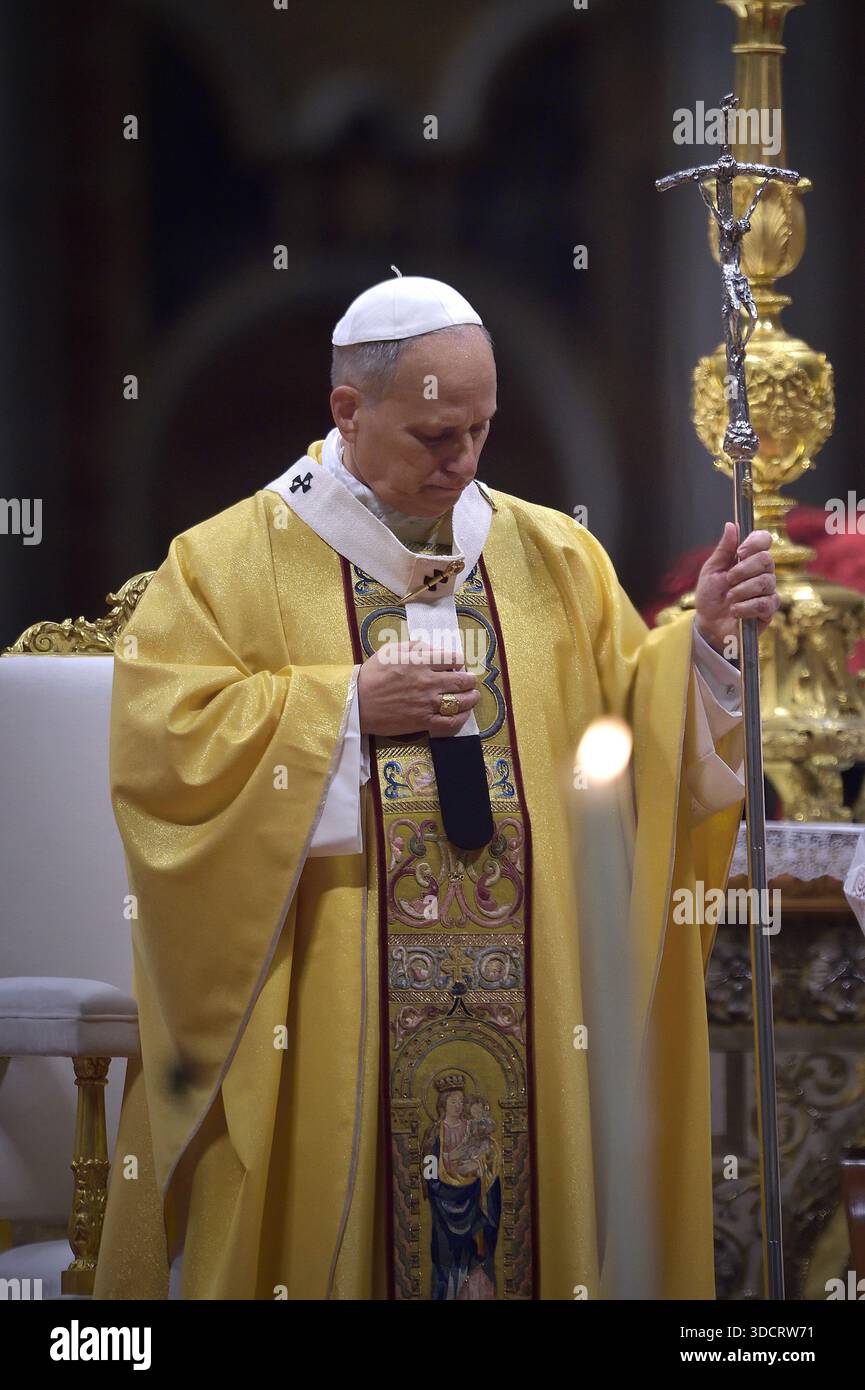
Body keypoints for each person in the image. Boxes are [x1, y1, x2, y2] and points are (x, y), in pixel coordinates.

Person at [93, 273, 779, 1301]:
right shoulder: (227, 565)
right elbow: (162, 749)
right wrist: (340, 707)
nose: (462, 462)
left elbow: (625, 734)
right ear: (347, 412)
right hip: (332, 1003)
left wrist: (704, 648)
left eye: (480, 430)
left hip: (535, 1002)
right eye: (433, 436)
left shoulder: (552, 554)